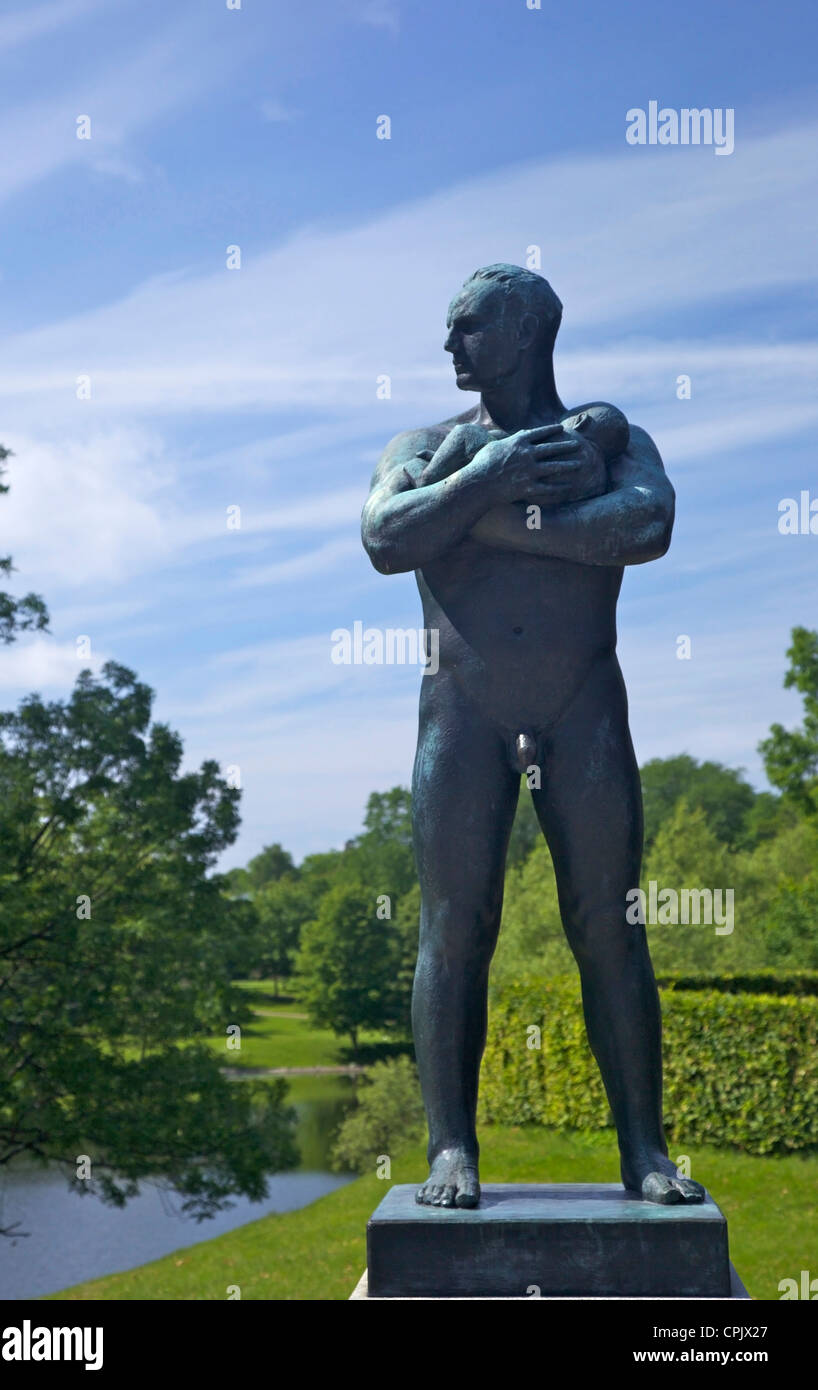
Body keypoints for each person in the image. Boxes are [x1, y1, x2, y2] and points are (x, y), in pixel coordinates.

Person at [361, 263, 704, 1209]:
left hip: (581, 706)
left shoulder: (610, 435)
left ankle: (644, 1153)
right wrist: (493, 477)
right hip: (462, 711)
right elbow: (387, 538)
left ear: (526, 330)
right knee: (453, 928)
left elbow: (646, 523)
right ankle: (448, 1151)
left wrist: (483, 516)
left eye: (468, 327)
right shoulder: (426, 444)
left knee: (609, 928)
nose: (449, 347)